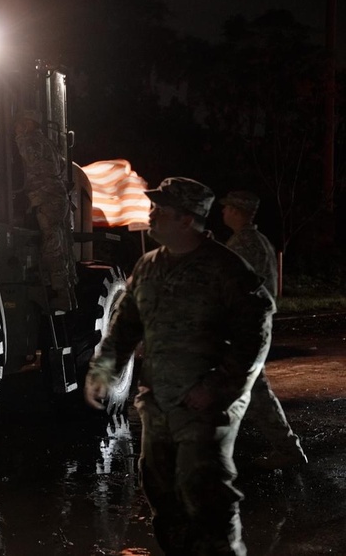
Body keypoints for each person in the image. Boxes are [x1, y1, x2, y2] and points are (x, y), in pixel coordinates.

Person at [85, 177, 275, 555]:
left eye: (160, 210)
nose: (150, 215)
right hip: (158, 402)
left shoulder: (226, 269)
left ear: (187, 220)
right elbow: (124, 328)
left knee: (206, 497)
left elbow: (256, 333)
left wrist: (218, 388)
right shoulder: (149, 266)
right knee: (162, 496)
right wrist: (103, 372)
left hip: (204, 405)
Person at [220, 190, 308, 469]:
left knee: (230, 386)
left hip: (244, 324)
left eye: (226, 208)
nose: (222, 213)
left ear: (236, 211)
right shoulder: (258, 241)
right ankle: (288, 450)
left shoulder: (243, 244)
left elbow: (230, 285)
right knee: (255, 390)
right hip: (254, 322)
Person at [14, 108, 76, 310]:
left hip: (48, 199)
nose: (18, 126)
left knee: (52, 245)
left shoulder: (32, 142)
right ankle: (66, 291)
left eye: (21, 122)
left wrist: (17, 138)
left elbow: (28, 157)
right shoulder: (48, 142)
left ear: (29, 124)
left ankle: (62, 295)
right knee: (60, 243)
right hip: (57, 197)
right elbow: (63, 165)